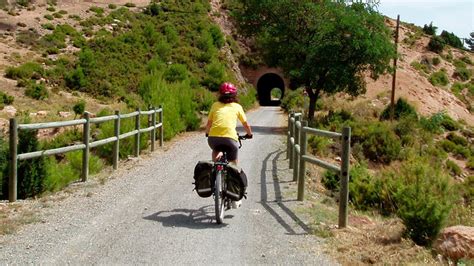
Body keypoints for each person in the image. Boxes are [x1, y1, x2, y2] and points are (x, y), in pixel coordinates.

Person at [206, 82, 253, 166]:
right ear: (234, 95)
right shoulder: (237, 107)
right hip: (230, 138)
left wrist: (207, 133)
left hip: (213, 138)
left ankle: (215, 167)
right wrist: (249, 134)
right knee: (233, 163)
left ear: (220, 94)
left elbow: (209, 123)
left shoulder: (215, 105)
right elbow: (246, 124)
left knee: (215, 149)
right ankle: (233, 173)